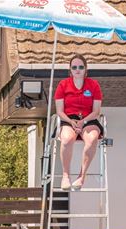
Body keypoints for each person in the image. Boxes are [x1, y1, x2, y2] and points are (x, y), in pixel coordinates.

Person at [54, 54, 104, 191]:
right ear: (70, 70)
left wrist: (83, 121)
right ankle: (66, 175)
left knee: (93, 138)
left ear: (86, 70)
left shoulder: (93, 85)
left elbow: (96, 111)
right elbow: (59, 111)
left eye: (80, 67)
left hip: (88, 119)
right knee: (66, 139)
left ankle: (82, 176)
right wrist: (71, 121)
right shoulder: (63, 85)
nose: (77, 70)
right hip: (69, 119)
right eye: (74, 67)